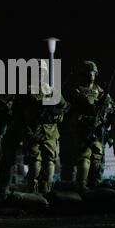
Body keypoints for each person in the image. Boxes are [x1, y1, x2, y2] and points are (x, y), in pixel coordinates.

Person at [62, 60, 111, 193]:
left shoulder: (100, 91)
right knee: (84, 157)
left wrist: (106, 110)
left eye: (94, 72)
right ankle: (81, 185)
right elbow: (74, 107)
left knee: (97, 157)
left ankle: (93, 183)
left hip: (97, 129)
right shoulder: (76, 91)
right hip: (82, 129)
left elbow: (110, 106)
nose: (92, 75)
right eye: (90, 72)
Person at [21, 60, 68, 195]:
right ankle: (32, 192)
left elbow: (64, 108)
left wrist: (55, 115)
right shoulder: (27, 91)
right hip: (34, 132)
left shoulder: (52, 90)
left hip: (50, 133)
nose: (40, 74)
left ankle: (46, 192)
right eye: (37, 71)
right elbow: (19, 113)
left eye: (42, 71)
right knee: (35, 165)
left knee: (49, 165)